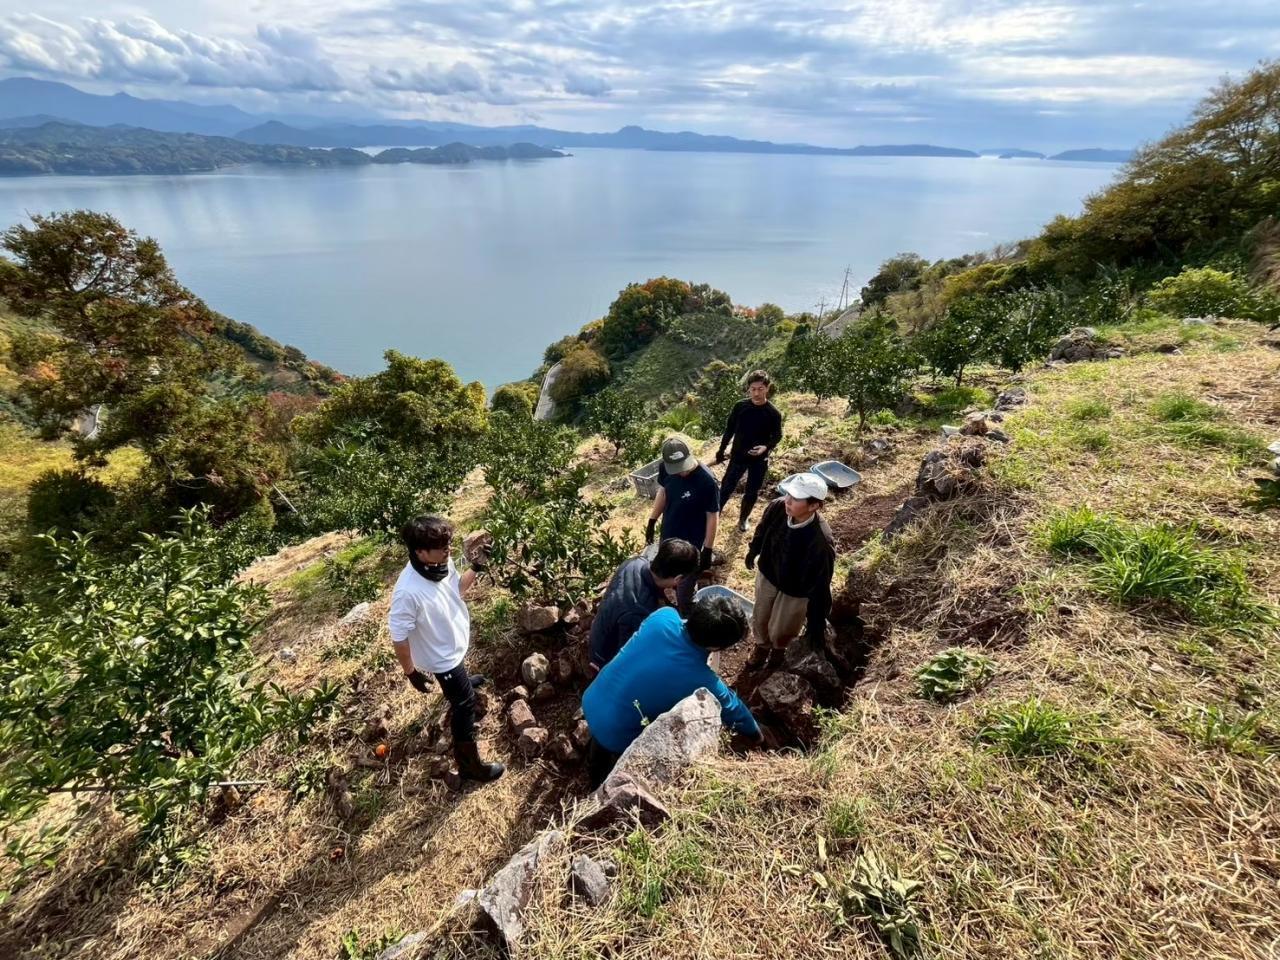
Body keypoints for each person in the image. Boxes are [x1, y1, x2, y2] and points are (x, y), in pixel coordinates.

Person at [582, 594, 763, 788]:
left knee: (604, 737)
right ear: (716, 646)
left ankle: (593, 769)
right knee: (618, 761)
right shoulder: (702, 680)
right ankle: (603, 786)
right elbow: (734, 709)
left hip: (592, 699)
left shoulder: (664, 616)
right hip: (618, 735)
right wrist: (757, 735)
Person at [388, 515, 504, 783]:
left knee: (460, 682)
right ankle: (470, 767)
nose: (448, 550)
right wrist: (410, 672)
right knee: (464, 706)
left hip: (448, 643)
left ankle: (459, 684)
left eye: (448, 544)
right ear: (419, 552)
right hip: (441, 657)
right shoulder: (408, 592)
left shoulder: (440, 563)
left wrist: (477, 566)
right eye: (441, 547)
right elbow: (398, 636)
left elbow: (456, 590)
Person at [744, 472, 836, 670]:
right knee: (760, 616)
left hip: (795, 589)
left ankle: (777, 654)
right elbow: (762, 528)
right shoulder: (778, 507)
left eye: (795, 498)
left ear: (814, 506)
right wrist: (754, 550)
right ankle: (761, 648)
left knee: (782, 629)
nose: (788, 500)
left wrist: (816, 622)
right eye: (788, 494)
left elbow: (822, 584)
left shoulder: (821, 541)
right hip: (769, 572)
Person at [588, 538, 701, 673]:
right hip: (605, 656)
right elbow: (627, 656)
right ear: (677, 579)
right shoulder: (639, 611)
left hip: (602, 627)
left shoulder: (636, 562)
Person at [644, 436, 720, 614]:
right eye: (676, 469)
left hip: (690, 543)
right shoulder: (666, 469)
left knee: (685, 587)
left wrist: (707, 549)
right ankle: (666, 604)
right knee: (662, 575)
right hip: (669, 534)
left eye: (683, 467)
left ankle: (686, 611)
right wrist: (652, 520)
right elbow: (663, 491)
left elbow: (712, 515)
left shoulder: (707, 481)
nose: (681, 473)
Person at [715, 370, 783, 533]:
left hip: (759, 459)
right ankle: (715, 515)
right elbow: (729, 430)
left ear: (767, 388)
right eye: (753, 389)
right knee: (726, 487)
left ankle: (743, 518)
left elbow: (777, 436)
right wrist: (721, 449)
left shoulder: (773, 413)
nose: (756, 393)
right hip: (738, 455)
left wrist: (766, 447)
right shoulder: (740, 407)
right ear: (748, 389)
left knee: (752, 491)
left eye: (760, 389)